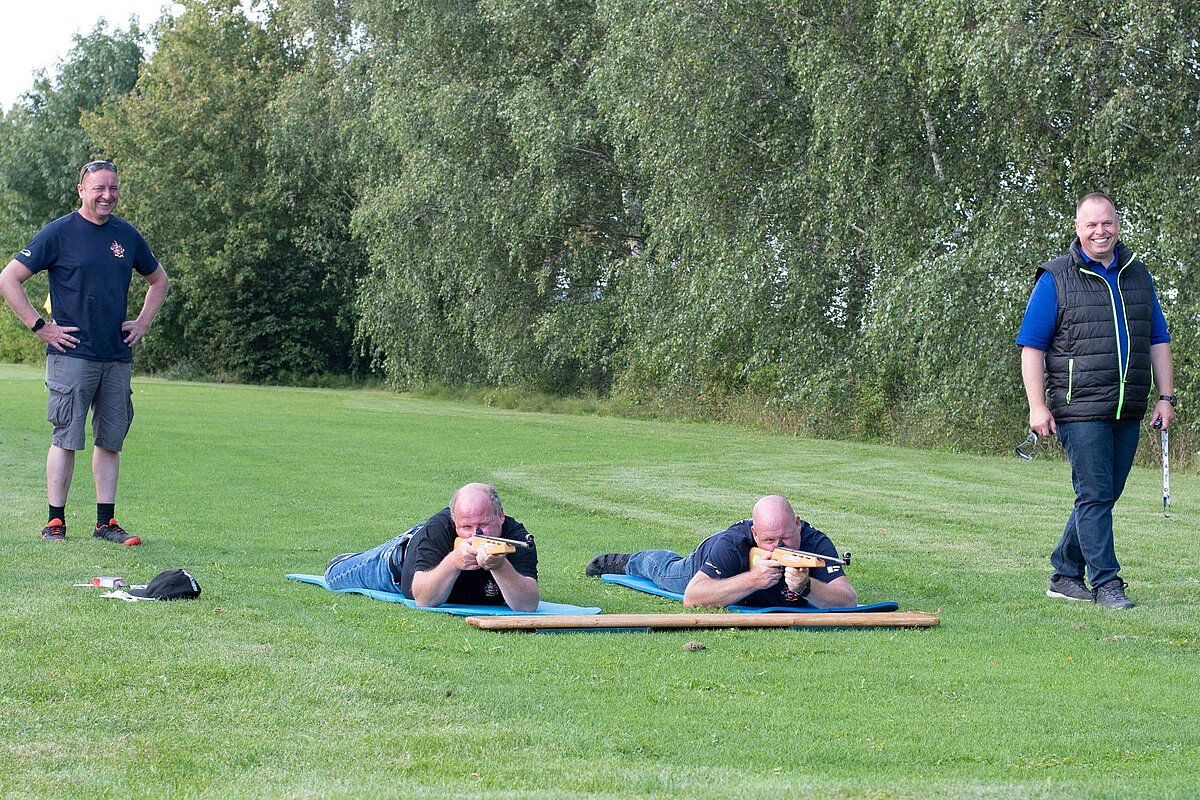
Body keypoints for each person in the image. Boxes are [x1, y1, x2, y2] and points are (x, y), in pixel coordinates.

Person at [1017, 191, 1175, 610]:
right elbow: (1032, 347)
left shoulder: (1137, 274)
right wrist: (1037, 406)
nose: (1100, 231)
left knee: (1103, 494)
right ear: (1078, 228)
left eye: (1107, 223)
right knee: (1095, 494)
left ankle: (1065, 573)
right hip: (1078, 407)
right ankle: (1107, 584)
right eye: (1091, 224)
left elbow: (1158, 338)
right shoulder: (1055, 277)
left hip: (1128, 406)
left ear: (1117, 225)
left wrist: (1166, 397)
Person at [0, 160, 168, 545]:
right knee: (66, 437)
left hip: (115, 356)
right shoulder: (59, 233)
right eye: (99, 188)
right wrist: (41, 327)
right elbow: (9, 278)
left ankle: (105, 523)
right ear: (81, 190)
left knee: (110, 440)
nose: (107, 195)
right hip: (72, 354)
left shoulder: (126, 236)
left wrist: (142, 322)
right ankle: (55, 521)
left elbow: (159, 280)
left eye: (113, 188)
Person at [585, 495, 857, 609]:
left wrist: (807, 586)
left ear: (797, 524)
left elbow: (848, 600)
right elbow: (692, 597)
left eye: (786, 537)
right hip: (706, 563)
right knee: (665, 572)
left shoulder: (816, 544)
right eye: (769, 540)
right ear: (755, 534)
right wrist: (755, 579)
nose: (780, 546)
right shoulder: (733, 543)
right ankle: (627, 561)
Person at [324, 483, 540, 611]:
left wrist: (499, 566)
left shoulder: (518, 538)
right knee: (336, 575)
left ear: (500, 515)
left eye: (483, 525)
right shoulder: (440, 528)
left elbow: (527, 605)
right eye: (466, 527)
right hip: (397, 563)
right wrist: (454, 561)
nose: (477, 534)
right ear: (454, 521)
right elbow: (424, 599)